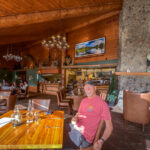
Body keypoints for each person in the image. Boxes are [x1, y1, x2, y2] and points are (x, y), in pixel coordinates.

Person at [69, 80, 113, 150]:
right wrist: (75, 118)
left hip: (84, 137)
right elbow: (78, 115)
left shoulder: (102, 104)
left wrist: (101, 141)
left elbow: (109, 127)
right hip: (75, 129)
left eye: (89, 87)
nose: (87, 90)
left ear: (95, 88)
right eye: (85, 88)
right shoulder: (84, 100)